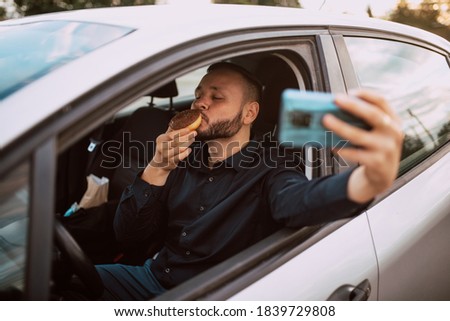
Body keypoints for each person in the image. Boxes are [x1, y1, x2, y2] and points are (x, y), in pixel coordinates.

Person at [95, 62, 404, 300]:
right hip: (152, 277)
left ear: (249, 113)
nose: (200, 103)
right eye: (200, 94)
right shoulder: (177, 155)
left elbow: (300, 201)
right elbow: (128, 236)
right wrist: (157, 168)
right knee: (62, 278)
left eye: (217, 97)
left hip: (220, 295)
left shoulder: (272, 168)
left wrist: (367, 180)